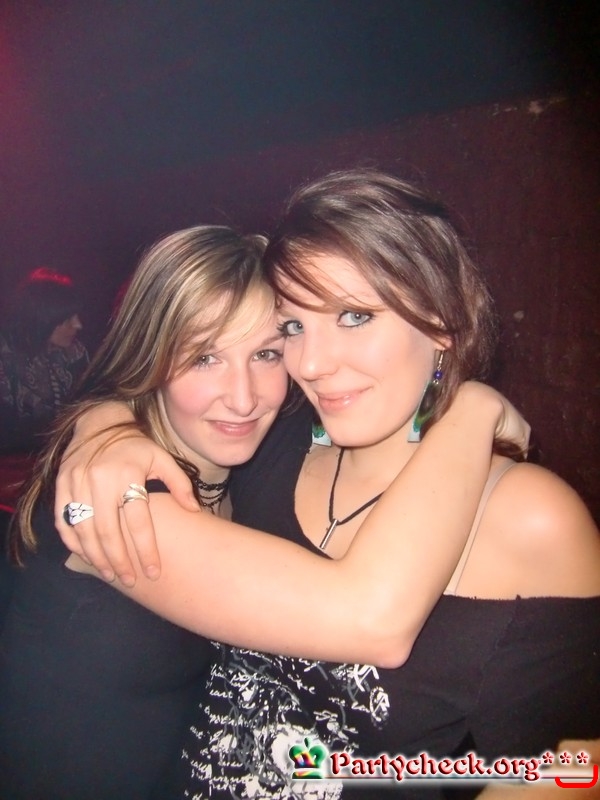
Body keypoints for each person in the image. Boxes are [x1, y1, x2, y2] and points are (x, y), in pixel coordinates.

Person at [54, 170, 600, 799]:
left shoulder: (530, 517)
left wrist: (471, 408)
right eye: (293, 327)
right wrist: (105, 426)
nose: (310, 364)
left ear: (443, 322)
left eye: (354, 316)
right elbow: (166, 398)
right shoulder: (272, 447)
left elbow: (570, 766)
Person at [0, 267, 89, 455]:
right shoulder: (6, 358)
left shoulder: (76, 354)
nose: (78, 325)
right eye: (67, 318)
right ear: (42, 318)